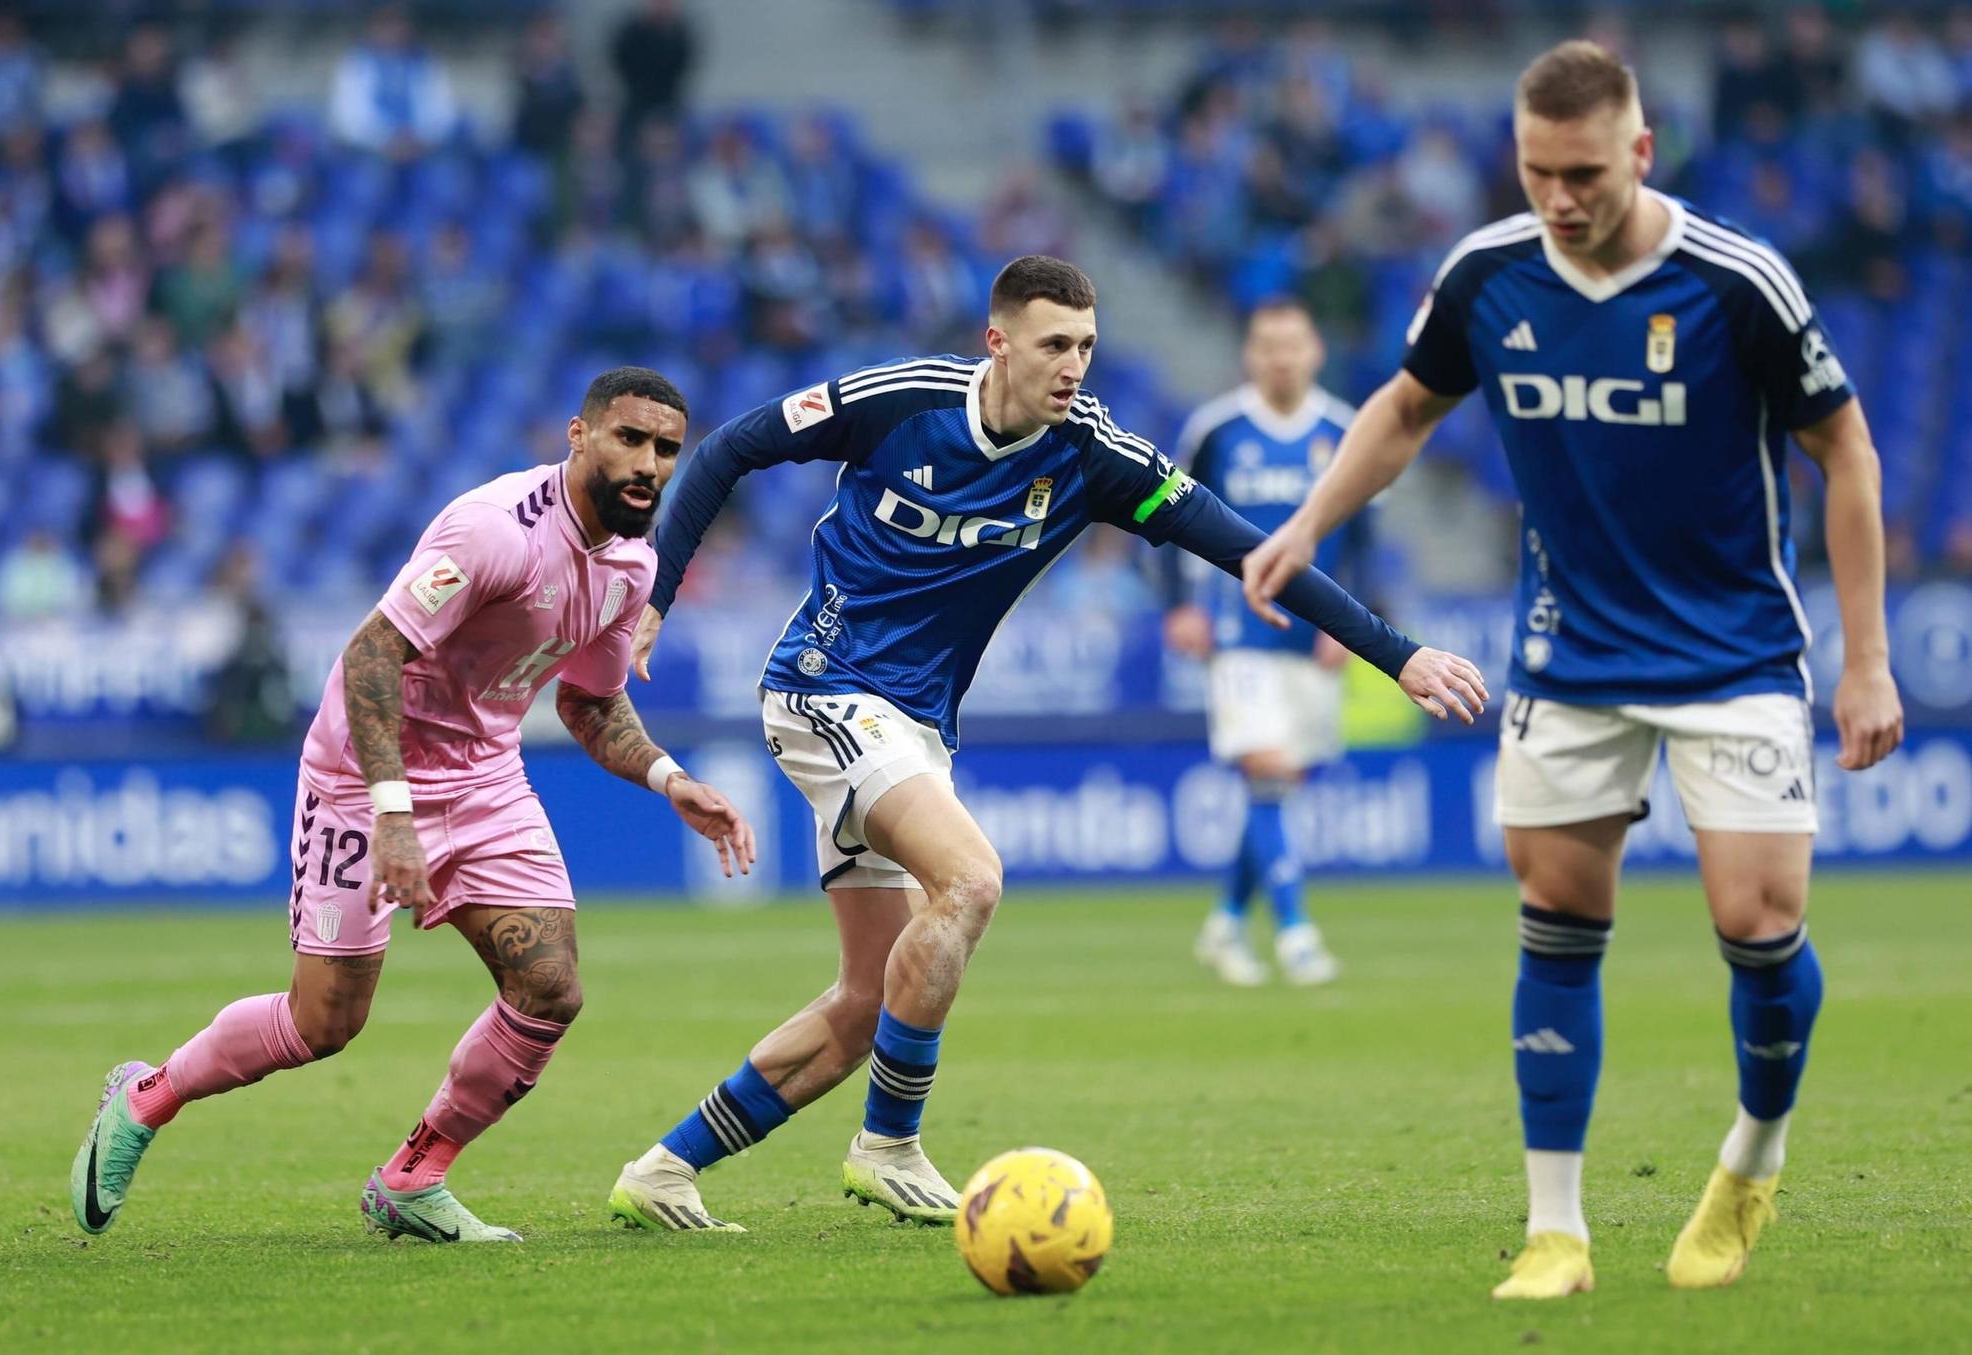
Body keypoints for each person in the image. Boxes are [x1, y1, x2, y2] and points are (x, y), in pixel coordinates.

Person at [609, 255, 1487, 1231]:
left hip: (913, 728)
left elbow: (1252, 550)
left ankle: (663, 1168)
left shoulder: (1096, 456)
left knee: (867, 999)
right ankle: (887, 1145)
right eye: (1052, 344)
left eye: (1085, 345)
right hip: (823, 689)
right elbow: (730, 445)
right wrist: (653, 594)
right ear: (997, 342)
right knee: (971, 879)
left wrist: (1395, 655)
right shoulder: (899, 400)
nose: (1072, 365)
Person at [1241, 42, 1904, 1300]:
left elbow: (1848, 453)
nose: (1558, 197)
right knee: (1556, 921)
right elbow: (1398, 408)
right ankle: (1556, 1228)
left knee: (1756, 924)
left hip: (1732, 648)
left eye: (1584, 172)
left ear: (1640, 153)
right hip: (1570, 649)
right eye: (1537, 170)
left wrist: (1864, 660)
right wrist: (1306, 523)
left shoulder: (1734, 280)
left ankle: (1750, 1155)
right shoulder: (1485, 272)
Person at [71, 369, 755, 1243]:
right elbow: (371, 655)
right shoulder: (491, 532)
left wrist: (667, 777)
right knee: (325, 1021)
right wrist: (391, 815)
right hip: (365, 774)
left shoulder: (631, 563)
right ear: (578, 435)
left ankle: (413, 1174)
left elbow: (588, 700)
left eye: (666, 448)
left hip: (483, 777)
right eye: (630, 439)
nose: (650, 464)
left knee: (549, 988)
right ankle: (147, 1095)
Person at [1166, 298, 1357, 987]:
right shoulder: (1217, 429)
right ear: (1250, 353)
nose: (1281, 356)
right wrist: (1181, 605)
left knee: (1279, 785)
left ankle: (1224, 922)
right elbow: (1166, 512)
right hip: (1238, 632)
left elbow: (1362, 534)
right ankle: (1298, 934)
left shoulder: (1344, 429)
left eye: (1292, 344)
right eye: (1268, 344)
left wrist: (1355, 623)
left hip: (1314, 635)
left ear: (1315, 352)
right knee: (1269, 770)